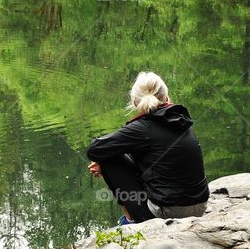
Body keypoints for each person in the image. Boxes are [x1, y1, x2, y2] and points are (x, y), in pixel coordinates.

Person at [87, 72, 209, 223]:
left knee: (107, 156)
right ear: (166, 96)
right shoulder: (179, 119)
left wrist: (102, 163)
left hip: (168, 212)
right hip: (200, 207)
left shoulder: (142, 128)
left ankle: (129, 221)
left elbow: (94, 149)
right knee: (114, 151)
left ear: (136, 102)